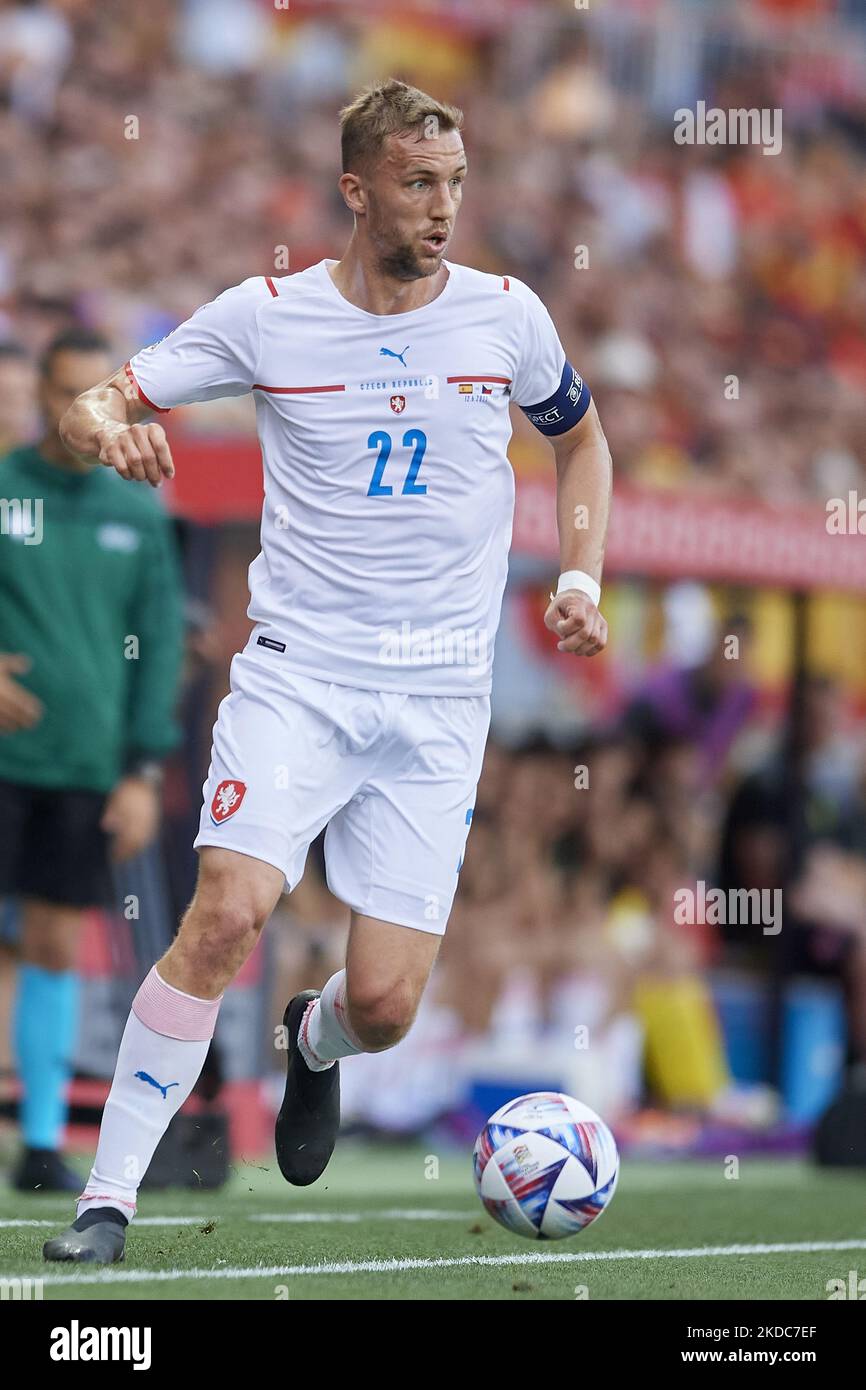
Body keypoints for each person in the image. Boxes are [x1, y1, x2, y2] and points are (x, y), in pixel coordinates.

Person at [43, 79, 612, 1264]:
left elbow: (578, 440)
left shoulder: (507, 318)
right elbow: (91, 402)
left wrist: (581, 577)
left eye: (455, 181)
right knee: (228, 910)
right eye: (417, 183)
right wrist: (116, 426)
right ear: (355, 190)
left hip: (441, 697)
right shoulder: (266, 316)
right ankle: (107, 1202)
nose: (443, 207)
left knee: (388, 1005)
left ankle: (311, 1043)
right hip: (300, 677)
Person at [0, 328, 184, 1192]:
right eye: (65, 389)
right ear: (42, 395)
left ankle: (40, 1143)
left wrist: (142, 772)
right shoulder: (3, 491)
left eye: (96, 391)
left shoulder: (136, 510)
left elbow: (160, 652)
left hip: (81, 767)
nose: (82, 409)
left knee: (51, 943)